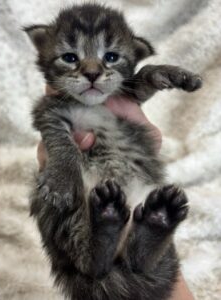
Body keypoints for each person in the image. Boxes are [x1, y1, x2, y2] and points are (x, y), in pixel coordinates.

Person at [37, 87, 194, 300]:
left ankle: (105, 242)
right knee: (58, 187)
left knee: (55, 193)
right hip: (112, 191)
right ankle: (130, 246)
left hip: (117, 185)